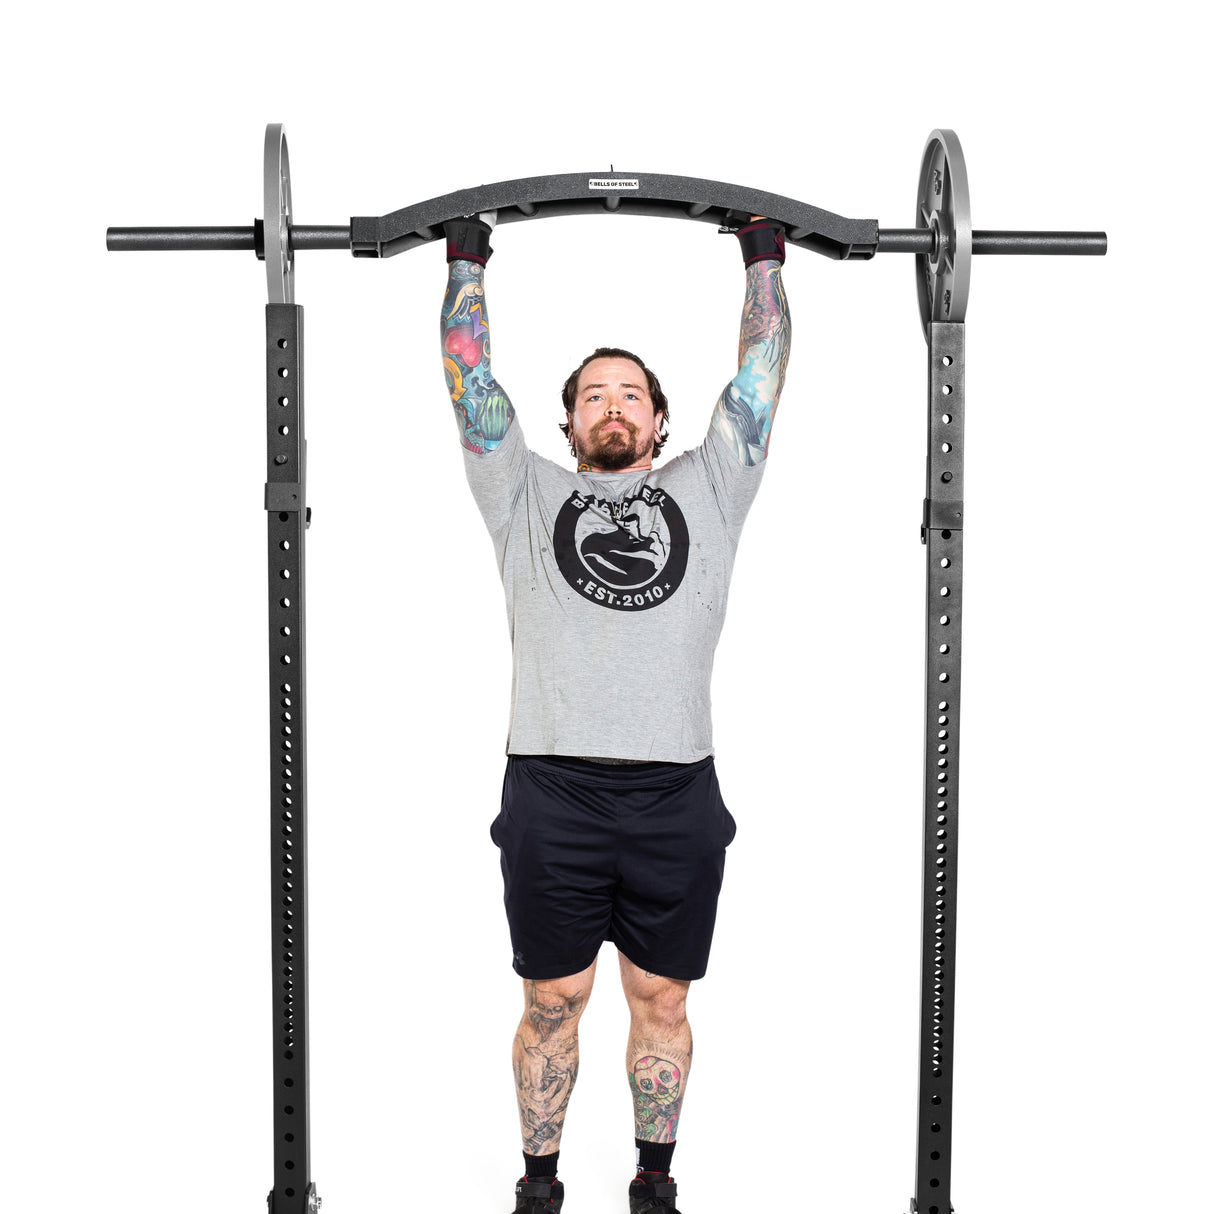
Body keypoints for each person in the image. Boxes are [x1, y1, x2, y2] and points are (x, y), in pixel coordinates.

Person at [440, 208, 791, 1214]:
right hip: (551, 787)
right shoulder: (522, 494)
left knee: (661, 999)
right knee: (552, 1001)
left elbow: (759, 378)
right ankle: (540, 1183)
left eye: (628, 393)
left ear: (656, 420)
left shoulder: (712, 485)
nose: (610, 404)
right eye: (591, 393)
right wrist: (468, 258)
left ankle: (652, 1177)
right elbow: (471, 384)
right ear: (566, 424)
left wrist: (761, 253)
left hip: (674, 789)